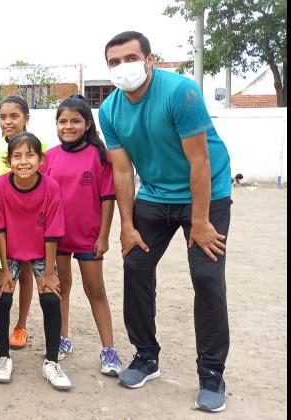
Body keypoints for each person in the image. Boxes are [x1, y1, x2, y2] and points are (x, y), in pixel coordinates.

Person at [99, 31, 232, 412]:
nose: (123, 67)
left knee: (206, 276)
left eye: (130, 58)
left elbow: (200, 162)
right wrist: (126, 225)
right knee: (135, 265)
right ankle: (145, 357)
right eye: (114, 62)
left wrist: (202, 220)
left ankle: (211, 373)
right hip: (155, 194)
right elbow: (123, 173)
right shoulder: (109, 111)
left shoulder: (180, 93)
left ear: (150, 59)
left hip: (207, 192)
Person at [43, 95, 121, 374]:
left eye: (75, 121)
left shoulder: (101, 157)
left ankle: (109, 349)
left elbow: (108, 199)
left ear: (87, 124)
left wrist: (104, 236)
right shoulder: (49, 157)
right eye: (62, 121)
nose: (68, 126)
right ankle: (63, 338)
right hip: (58, 237)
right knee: (61, 287)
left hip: (89, 237)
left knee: (95, 290)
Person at [0, 133, 71, 390]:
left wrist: (48, 272)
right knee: (2, 298)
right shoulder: (0, 187)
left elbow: (52, 231)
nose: (24, 161)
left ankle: (51, 361)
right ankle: (3, 357)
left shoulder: (51, 187)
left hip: (40, 251)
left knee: (50, 297)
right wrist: (4, 270)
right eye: (17, 156)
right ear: (8, 160)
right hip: (10, 252)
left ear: (40, 159)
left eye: (30, 155)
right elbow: (0, 229)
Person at [0, 95, 38, 353]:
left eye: (14, 116)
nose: (8, 121)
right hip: (0, 227)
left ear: (26, 118)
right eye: (3, 117)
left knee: (25, 273)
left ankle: (20, 326)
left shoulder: (39, 146)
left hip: (30, 226)